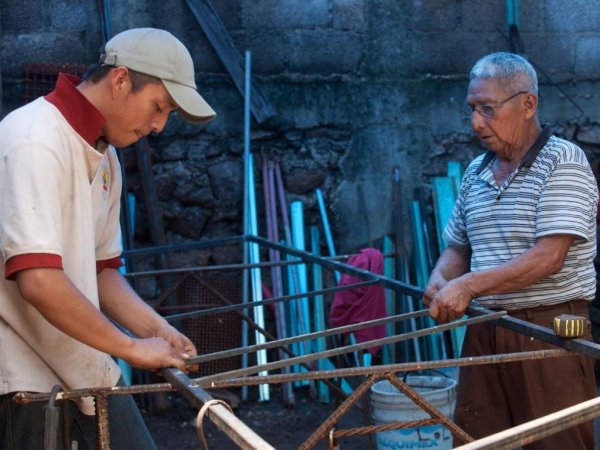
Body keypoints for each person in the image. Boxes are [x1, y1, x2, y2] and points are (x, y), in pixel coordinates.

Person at [0, 28, 216, 449]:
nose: (158, 125)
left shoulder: (107, 158)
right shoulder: (34, 140)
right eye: (159, 106)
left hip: (82, 362)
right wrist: (131, 348)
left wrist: (157, 330)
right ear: (120, 81)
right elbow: (38, 280)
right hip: (22, 375)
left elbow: (103, 272)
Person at [423, 52, 597, 449]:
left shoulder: (563, 162)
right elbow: (458, 247)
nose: (476, 122)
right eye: (471, 109)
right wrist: (441, 279)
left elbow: (548, 257)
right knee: (476, 440)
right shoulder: (476, 172)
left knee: (556, 443)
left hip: (550, 330)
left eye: (488, 109)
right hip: (486, 327)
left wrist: (466, 287)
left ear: (527, 104)